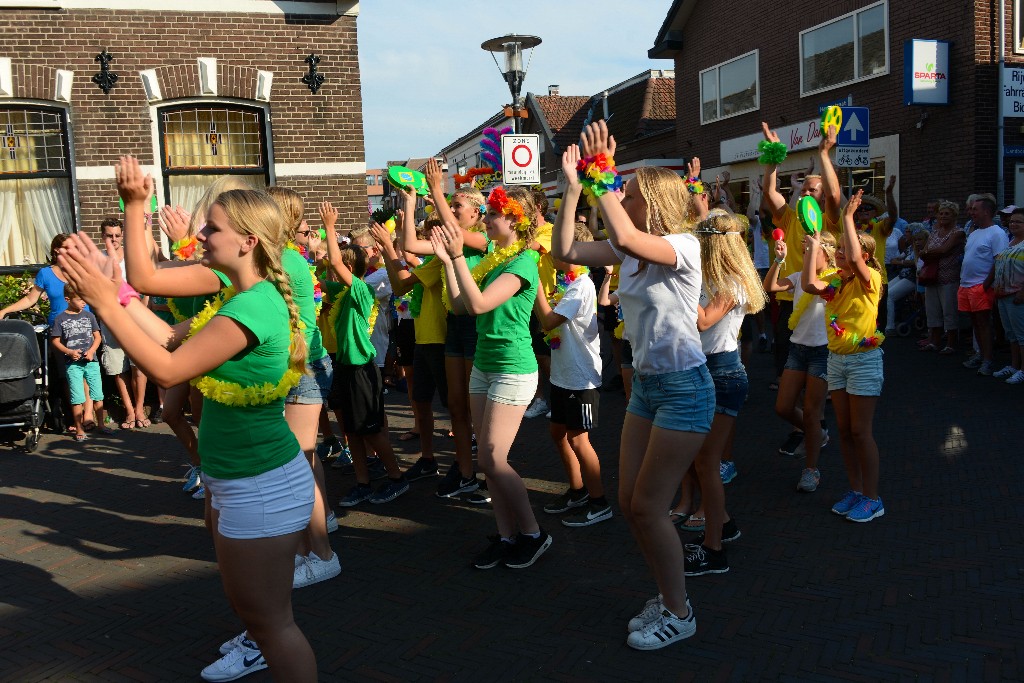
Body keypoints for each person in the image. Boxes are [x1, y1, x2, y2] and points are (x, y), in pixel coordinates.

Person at [62, 156, 317, 681]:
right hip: (235, 478)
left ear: (247, 242)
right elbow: (164, 337)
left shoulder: (250, 308)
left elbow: (166, 367)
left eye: (212, 228)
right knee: (257, 615)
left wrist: (107, 304)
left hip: (259, 484)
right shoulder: (238, 294)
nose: (200, 235)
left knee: (271, 625)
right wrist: (118, 290)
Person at [551, 123, 710, 651]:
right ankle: (667, 595)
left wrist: (602, 172)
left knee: (647, 506)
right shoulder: (632, 256)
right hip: (646, 388)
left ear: (655, 204)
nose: (621, 198)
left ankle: (679, 611)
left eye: (631, 195)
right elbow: (566, 253)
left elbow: (620, 233)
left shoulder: (682, 246)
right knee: (628, 500)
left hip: (685, 388)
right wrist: (575, 186)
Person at [429, 184, 552, 570]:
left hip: (513, 368)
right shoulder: (497, 260)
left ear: (515, 219)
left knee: (494, 459)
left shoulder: (523, 263)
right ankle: (505, 535)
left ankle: (533, 533)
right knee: (487, 459)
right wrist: (450, 263)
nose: (486, 219)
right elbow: (463, 306)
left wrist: (457, 257)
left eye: (494, 214)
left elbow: (480, 302)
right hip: (485, 364)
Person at [674, 209, 764, 576]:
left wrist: (676, 284)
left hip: (723, 372)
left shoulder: (732, 280)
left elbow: (703, 320)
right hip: (704, 368)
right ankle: (723, 523)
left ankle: (714, 549)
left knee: (707, 463)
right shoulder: (709, 276)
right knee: (700, 460)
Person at [395, 163, 487, 499]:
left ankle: (485, 473)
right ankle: (464, 473)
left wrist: (436, 189)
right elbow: (409, 246)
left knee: (477, 408)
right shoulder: (449, 239)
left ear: (477, 213)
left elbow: (456, 234)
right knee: (457, 406)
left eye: (457, 204)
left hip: (477, 326)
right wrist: (409, 201)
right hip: (454, 326)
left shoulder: (482, 239)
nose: (450, 206)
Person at [265, 186, 340, 590]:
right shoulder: (280, 259)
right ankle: (312, 539)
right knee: (302, 461)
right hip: (297, 367)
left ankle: (321, 553)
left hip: (302, 368)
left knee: (297, 463)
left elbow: (303, 329)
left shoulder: (287, 262)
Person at [802, 190, 885, 523]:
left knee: (862, 432)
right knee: (845, 431)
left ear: (863, 254)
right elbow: (809, 284)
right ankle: (855, 490)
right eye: (834, 249)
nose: (838, 254)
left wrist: (848, 219)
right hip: (836, 361)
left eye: (844, 249)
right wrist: (812, 245)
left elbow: (855, 261)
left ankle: (873, 498)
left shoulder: (870, 280)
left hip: (864, 361)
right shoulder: (834, 281)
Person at [319, 201, 409, 507]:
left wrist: (330, 227)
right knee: (351, 431)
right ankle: (362, 482)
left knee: (371, 430)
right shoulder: (338, 290)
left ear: (349, 270)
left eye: (338, 268)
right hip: (344, 366)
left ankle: (397, 478)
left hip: (362, 369)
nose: (332, 270)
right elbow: (321, 269)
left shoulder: (360, 290)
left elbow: (332, 260)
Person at [533, 221, 610, 527]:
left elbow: (549, 321)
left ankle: (600, 501)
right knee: (558, 432)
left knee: (579, 440)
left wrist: (536, 284)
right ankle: (578, 490)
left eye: (558, 248)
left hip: (582, 378)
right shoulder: (568, 282)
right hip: (563, 375)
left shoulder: (581, 286)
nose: (552, 253)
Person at [760, 122, 839, 395]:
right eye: (802, 190)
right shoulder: (791, 217)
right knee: (784, 342)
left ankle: (823, 388)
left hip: (822, 296)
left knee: (822, 347)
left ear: (822, 196)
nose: (805, 194)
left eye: (812, 191)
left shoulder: (830, 220)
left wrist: (824, 155)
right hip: (789, 293)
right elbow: (770, 193)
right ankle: (788, 384)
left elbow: (836, 195)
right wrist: (772, 155)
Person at [764, 229, 836, 492]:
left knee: (812, 412)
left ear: (825, 253)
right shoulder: (797, 276)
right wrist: (779, 260)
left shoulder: (835, 280)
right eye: (805, 250)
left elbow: (811, 286)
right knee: (783, 407)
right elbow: (769, 287)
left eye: (811, 250)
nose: (806, 254)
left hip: (822, 352)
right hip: (797, 349)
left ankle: (811, 470)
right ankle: (817, 433)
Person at [1, 233, 92, 430]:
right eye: (67, 248)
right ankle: (75, 418)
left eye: (74, 248)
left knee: (88, 372)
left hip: (84, 326)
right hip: (60, 331)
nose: (71, 251)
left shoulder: (82, 270)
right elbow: (30, 300)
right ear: (56, 250)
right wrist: (5, 310)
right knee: (69, 374)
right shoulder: (46, 273)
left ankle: (89, 415)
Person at [50, 283, 108, 441]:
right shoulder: (60, 319)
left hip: (91, 361)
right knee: (77, 397)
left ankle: (101, 424)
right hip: (73, 364)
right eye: (80, 299)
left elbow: (97, 337)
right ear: (68, 299)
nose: (84, 302)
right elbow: (55, 341)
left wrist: (91, 351)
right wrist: (69, 352)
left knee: (97, 394)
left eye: (85, 298)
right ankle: (79, 428)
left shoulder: (89, 316)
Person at [959, 196, 1009, 376]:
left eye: (974, 209)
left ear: (986, 212)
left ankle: (988, 360)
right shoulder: (974, 232)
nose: (970, 212)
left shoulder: (997, 233)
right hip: (966, 285)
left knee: (984, 323)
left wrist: (985, 285)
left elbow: (999, 261)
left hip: (980, 286)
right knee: (975, 323)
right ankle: (980, 354)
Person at [919, 200, 966, 354]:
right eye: (941, 213)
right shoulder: (933, 233)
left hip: (949, 277)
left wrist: (929, 253)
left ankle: (951, 344)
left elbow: (943, 250)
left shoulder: (958, 233)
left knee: (949, 310)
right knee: (932, 310)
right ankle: (934, 341)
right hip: (931, 277)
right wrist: (930, 252)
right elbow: (923, 252)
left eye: (947, 213)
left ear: (954, 216)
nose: (943, 216)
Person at [991, 207, 1024, 384]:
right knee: (1011, 334)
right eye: (1012, 221)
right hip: (1003, 295)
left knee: (1022, 335)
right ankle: (1014, 365)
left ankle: (1023, 370)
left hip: (1017, 296)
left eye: (1018, 221)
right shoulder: (1010, 242)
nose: (1013, 224)